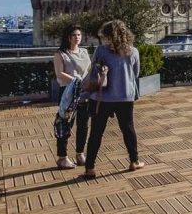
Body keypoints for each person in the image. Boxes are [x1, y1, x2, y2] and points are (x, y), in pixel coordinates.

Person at [82, 20, 144, 178]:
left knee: (96, 132)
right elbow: (136, 74)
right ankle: (134, 161)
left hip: (102, 97)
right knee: (128, 129)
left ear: (108, 35)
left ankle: (90, 168)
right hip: (124, 97)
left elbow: (93, 71)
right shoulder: (133, 51)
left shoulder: (101, 51)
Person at [52, 25, 91, 169]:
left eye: (79, 35)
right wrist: (78, 82)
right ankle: (62, 157)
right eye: (74, 35)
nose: (77, 37)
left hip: (84, 92)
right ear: (68, 37)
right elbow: (59, 74)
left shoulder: (85, 52)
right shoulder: (60, 54)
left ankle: (80, 154)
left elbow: (88, 70)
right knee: (65, 124)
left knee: (83, 124)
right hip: (68, 93)